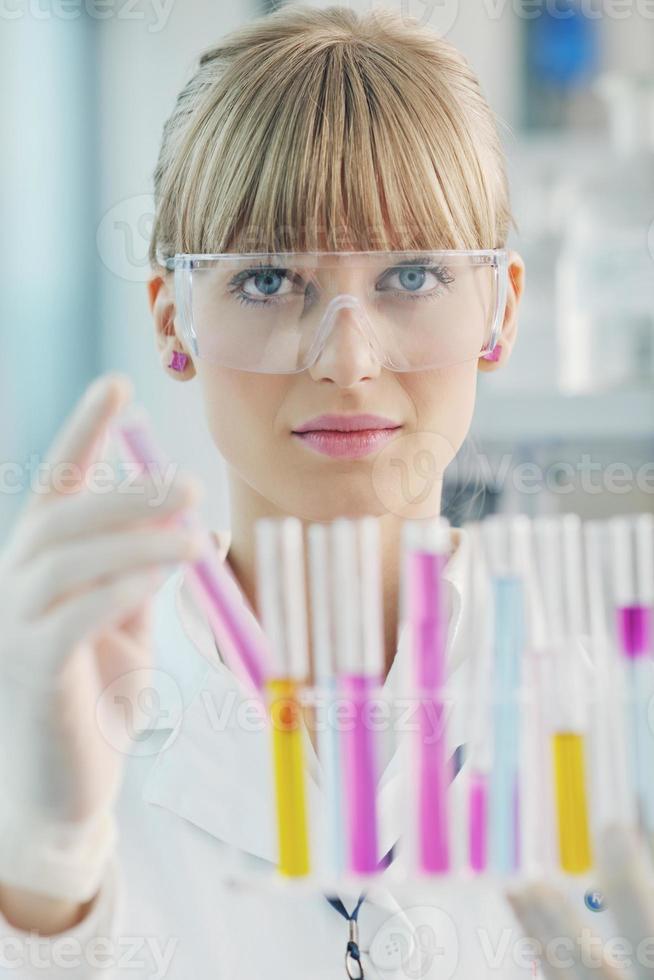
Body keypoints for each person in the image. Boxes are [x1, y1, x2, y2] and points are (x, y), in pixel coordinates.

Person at [8, 5, 627, 977]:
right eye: (268, 280)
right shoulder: (63, 718)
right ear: (174, 319)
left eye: (411, 274)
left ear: (498, 311)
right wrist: (43, 880)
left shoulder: (613, 693)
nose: (347, 356)